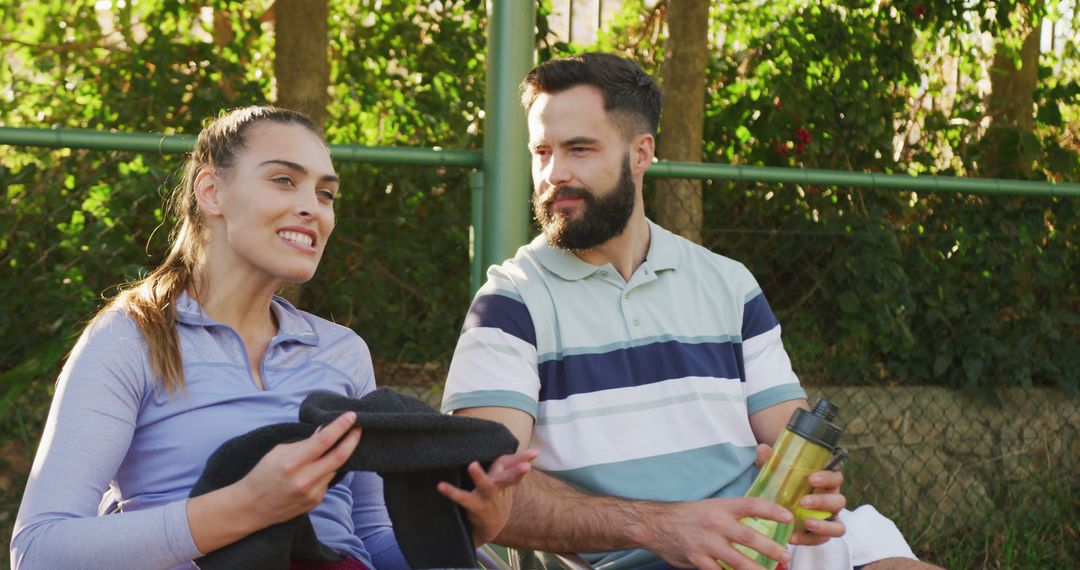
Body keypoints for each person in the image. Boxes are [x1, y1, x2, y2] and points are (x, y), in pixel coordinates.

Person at [441, 53, 935, 570]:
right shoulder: (509, 303)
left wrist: (813, 493)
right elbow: (482, 484)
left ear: (641, 153)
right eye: (541, 151)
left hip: (761, 551)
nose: (553, 173)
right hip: (617, 563)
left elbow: (792, 442)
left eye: (579, 149)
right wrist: (659, 527)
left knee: (876, 548)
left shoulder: (728, 284)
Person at [10, 106, 536, 570]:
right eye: (285, 180)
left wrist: (469, 528)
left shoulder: (342, 351)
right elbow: (39, 549)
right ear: (212, 192)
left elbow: (372, 541)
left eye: (325, 193)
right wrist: (244, 508)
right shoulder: (132, 337)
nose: (314, 207)